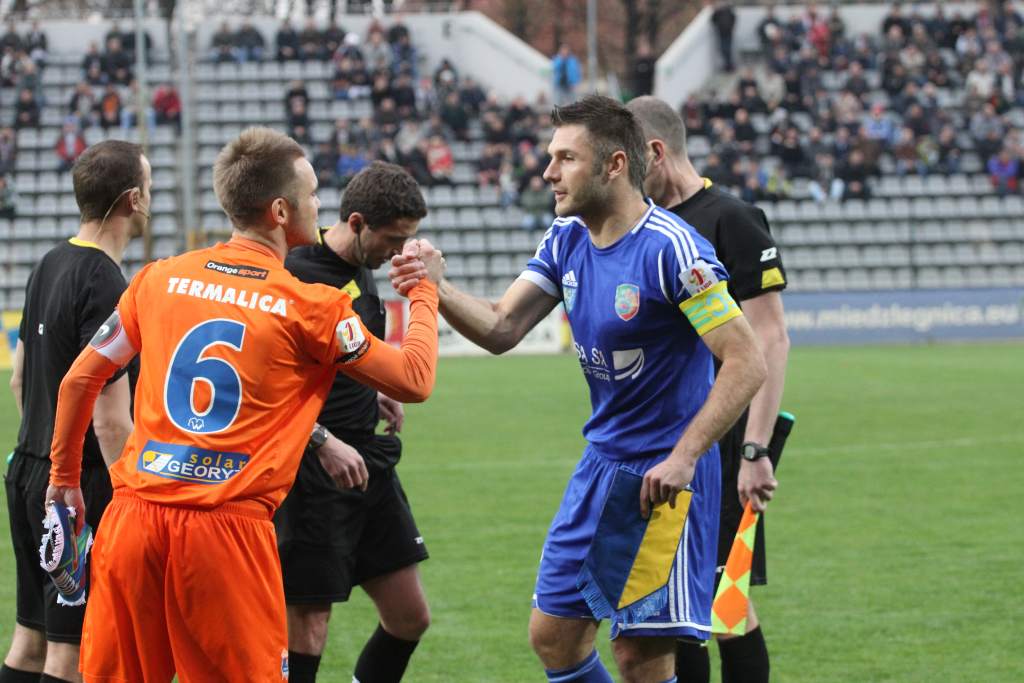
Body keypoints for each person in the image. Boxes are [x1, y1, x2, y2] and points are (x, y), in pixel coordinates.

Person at [43, 127, 444, 681]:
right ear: (280, 211)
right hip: (225, 532)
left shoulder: (157, 279)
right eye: (312, 195)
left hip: (133, 522)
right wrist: (424, 291)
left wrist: (64, 480)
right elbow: (415, 379)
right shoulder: (312, 307)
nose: (319, 205)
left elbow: (78, 380)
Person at [391, 95, 767, 683]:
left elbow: (746, 360)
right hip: (601, 465)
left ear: (615, 165)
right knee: (554, 637)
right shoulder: (566, 237)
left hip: (661, 479)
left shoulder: (672, 249)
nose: (548, 172)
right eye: (551, 157)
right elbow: (502, 327)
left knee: (639, 657)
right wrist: (435, 286)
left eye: (566, 158)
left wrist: (685, 456)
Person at [627, 95, 790, 683]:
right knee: (671, 607)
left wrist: (754, 449)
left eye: (628, 160)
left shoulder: (731, 219)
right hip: (659, 441)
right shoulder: (645, 225)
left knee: (725, 601)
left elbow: (770, 339)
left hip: (721, 441)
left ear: (656, 152)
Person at [275, 162, 432, 683]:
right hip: (312, 471)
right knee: (308, 626)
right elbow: (266, 386)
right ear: (359, 223)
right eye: (393, 239)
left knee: (409, 617)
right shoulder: (296, 273)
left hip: (368, 462)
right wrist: (321, 439)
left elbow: (343, 351)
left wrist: (374, 388)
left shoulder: (361, 263)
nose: (399, 252)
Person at [2, 140, 145, 683]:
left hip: (29, 470)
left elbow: (19, 378)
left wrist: (44, 450)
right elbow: (109, 418)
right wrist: (133, 495)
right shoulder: (106, 281)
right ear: (134, 199)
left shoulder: (47, 263)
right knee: (73, 653)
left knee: (29, 643)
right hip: (77, 489)